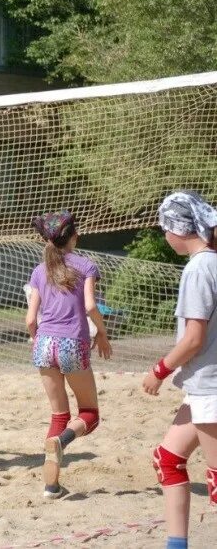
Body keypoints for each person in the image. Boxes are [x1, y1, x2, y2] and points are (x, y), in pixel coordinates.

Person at [142, 191, 217, 549]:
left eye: (164, 228)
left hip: (211, 389)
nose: (164, 235)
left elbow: (193, 339)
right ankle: (177, 545)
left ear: (178, 229)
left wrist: (158, 371)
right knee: (168, 459)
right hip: (203, 388)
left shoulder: (200, 268)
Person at [25, 210, 112, 499]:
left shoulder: (40, 271)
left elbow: (29, 319)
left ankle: (51, 486)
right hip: (71, 343)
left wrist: (37, 340)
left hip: (43, 344)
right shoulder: (86, 266)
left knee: (58, 414)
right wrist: (102, 332)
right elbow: (89, 306)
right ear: (73, 236)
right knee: (90, 414)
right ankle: (63, 441)